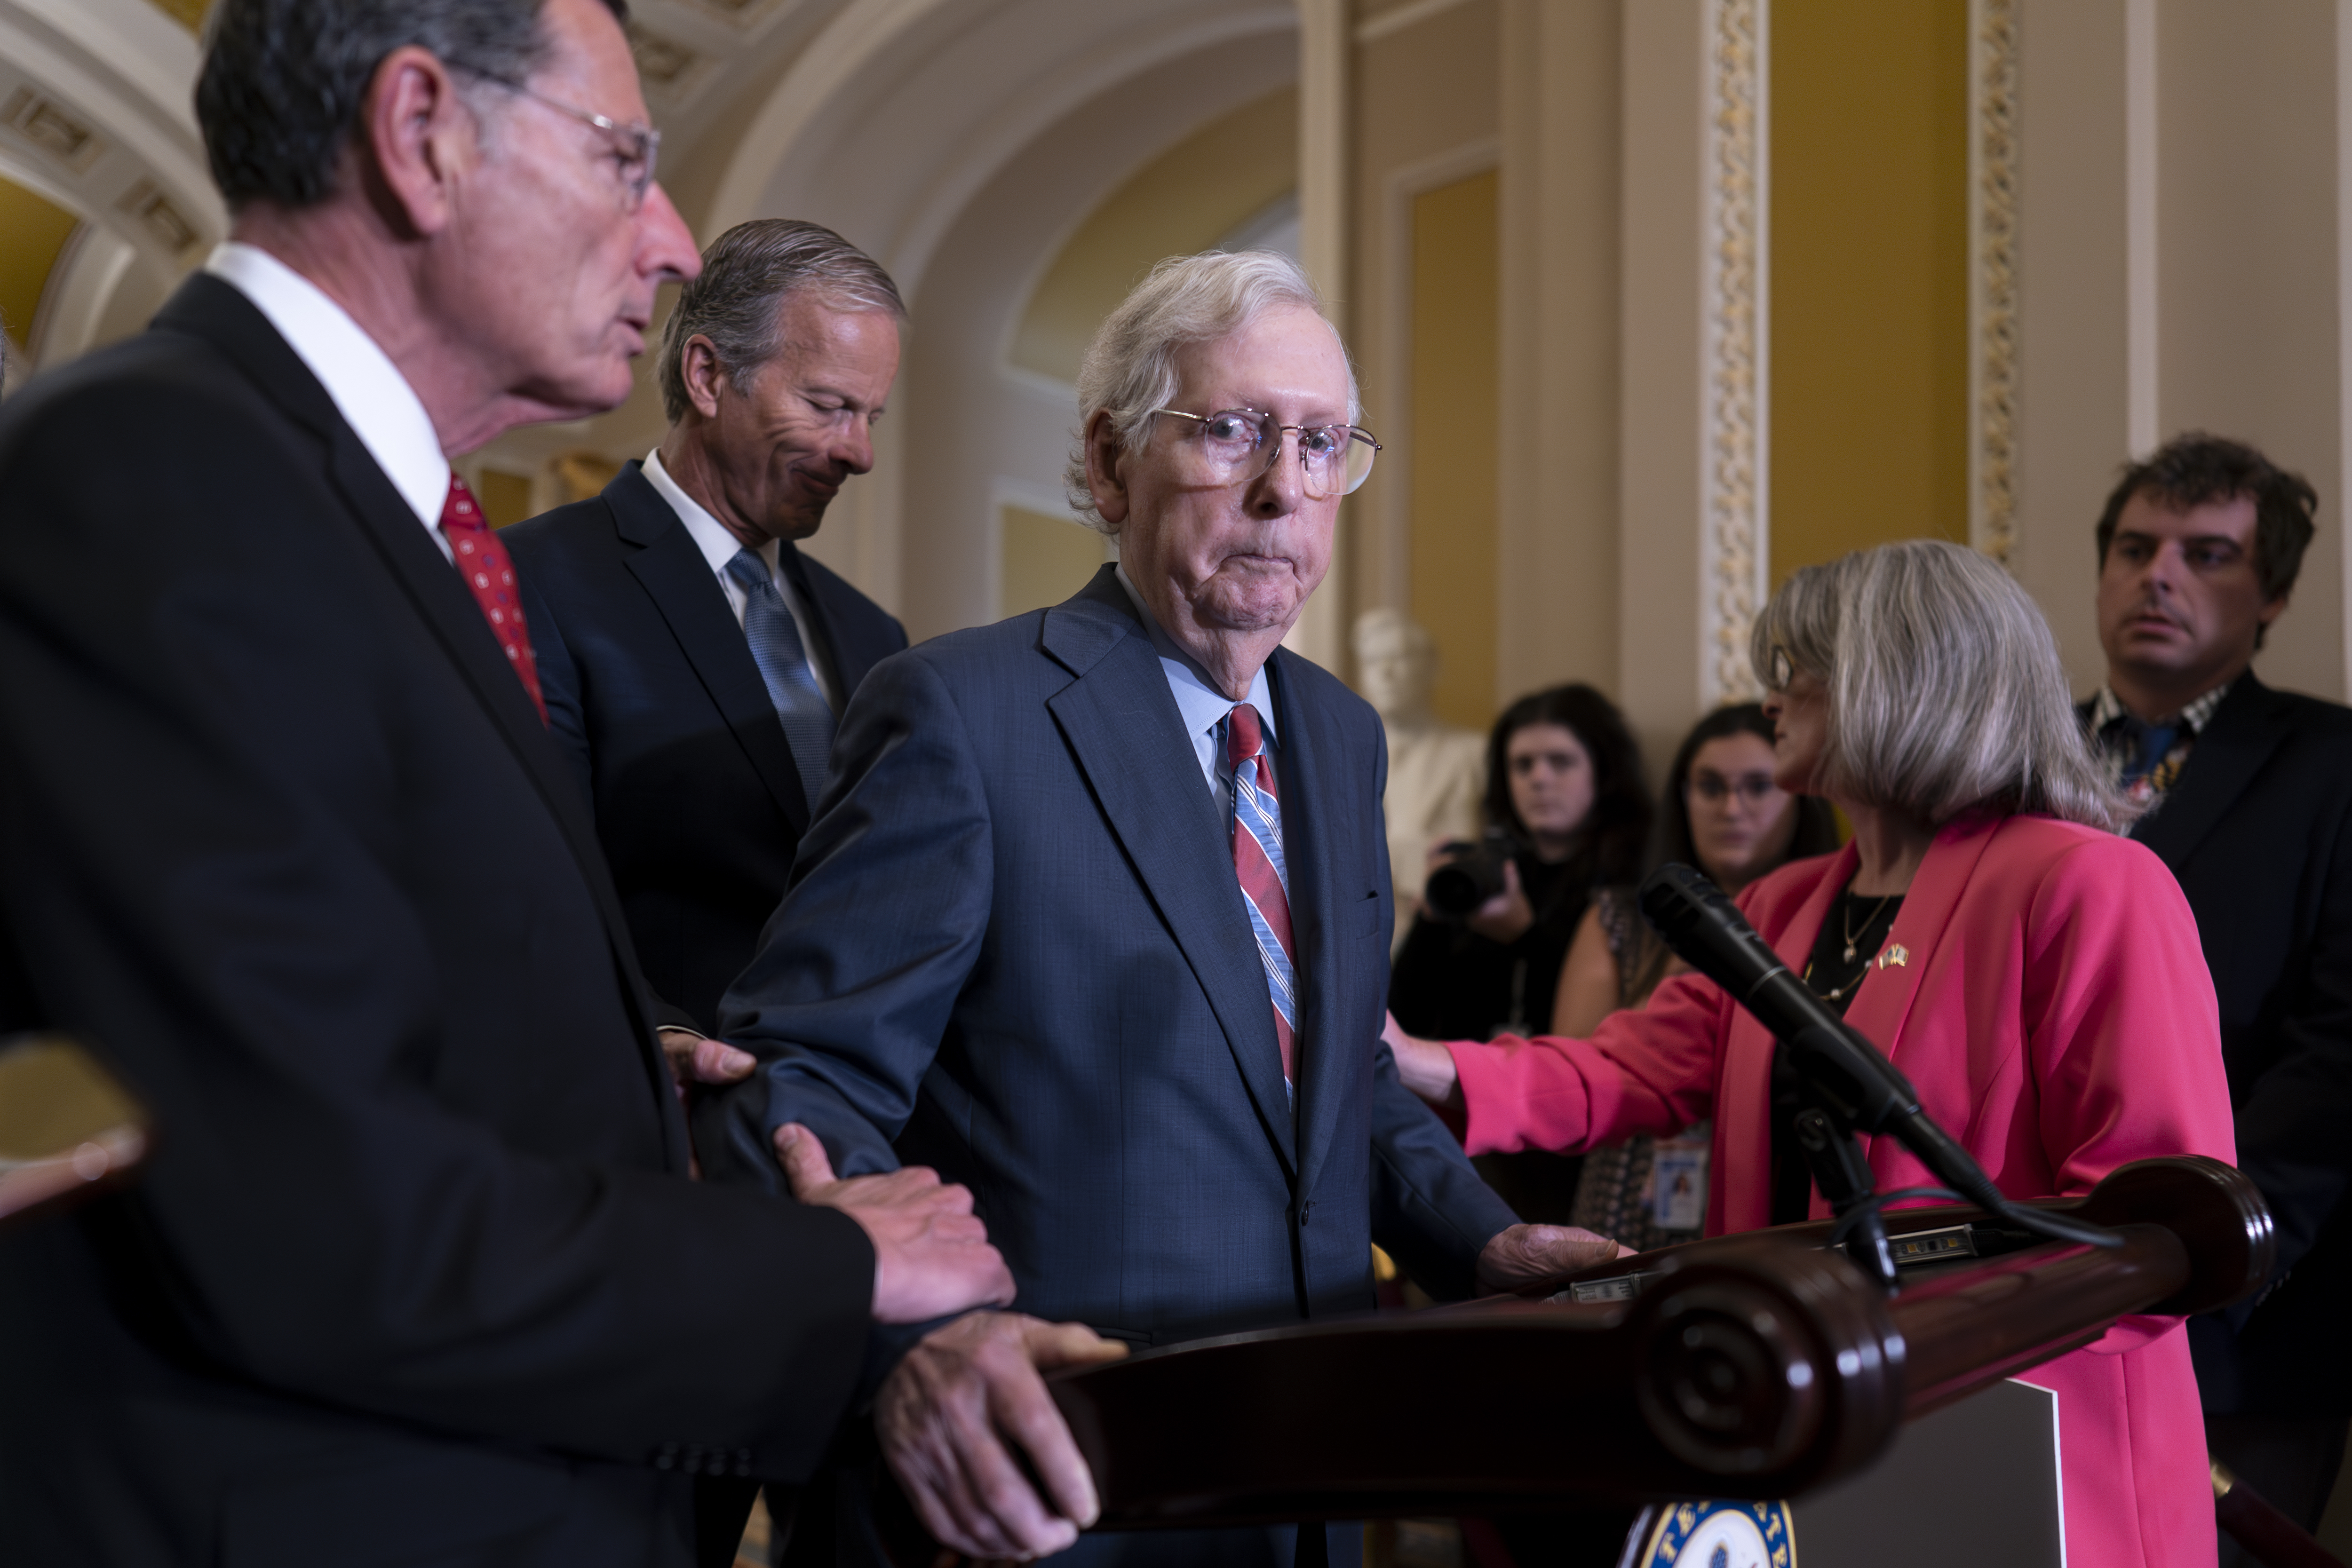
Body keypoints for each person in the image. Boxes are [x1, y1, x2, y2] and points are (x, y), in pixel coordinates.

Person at [0, 3, 1025, 1564]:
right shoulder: (161, 470)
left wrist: (609, 1072)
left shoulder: (367, 513)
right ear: (423, 136)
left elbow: (343, 1016)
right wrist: (825, 1268)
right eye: (627, 160)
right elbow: (316, 1215)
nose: (672, 233)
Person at [700, 250, 1618, 1565]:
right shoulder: (964, 711)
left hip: (1309, 1468)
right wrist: (917, 1346)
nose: (1278, 488)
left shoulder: (1342, 736)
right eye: (1231, 430)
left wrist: (1486, 1235)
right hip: (1058, 1476)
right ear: (1112, 460)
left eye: (1319, 445)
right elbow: (798, 1087)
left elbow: (1334, 1072)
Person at [1389, 540, 2235, 1568]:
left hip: (2037, 1447)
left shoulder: (2090, 883)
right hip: (1821, 1426)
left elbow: (2151, 1220)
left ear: (1901, 678)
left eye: (1799, 667)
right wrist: (1408, 1058)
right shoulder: (1783, 901)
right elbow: (1624, 1067)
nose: (1769, 695)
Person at [505, 220, 910, 1044]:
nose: (860, 452)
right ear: (707, 373)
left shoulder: (875, 636)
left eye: (871, 415)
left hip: (862, 1119)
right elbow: (525, 882)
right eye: (830, 406)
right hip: (652, 1101)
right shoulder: (535, 580)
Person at [2078, 433, 2352, 1552]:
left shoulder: (2333, 763)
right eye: (2136, 548)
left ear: (2272, 593)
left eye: (2207, 555)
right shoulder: (2010, 759)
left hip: (2253, 1303)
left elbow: (2342, 1044)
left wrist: (2222, 1245)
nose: (2160, 576)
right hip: (2030, 1278)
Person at [1557, 703, 1840, 1251]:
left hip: (1762, 1187)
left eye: (1757, 787)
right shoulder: (1621, 918)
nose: (1731, 808)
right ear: (1682, 797)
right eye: (1709, 787)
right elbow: (1572, 1067)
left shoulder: (1831, 920)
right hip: (1624, 1187)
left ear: (1798, 799)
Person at [1388, 683, 1650, 1222]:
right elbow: (1400, 1015)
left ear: (1602, 771)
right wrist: (1434, 914)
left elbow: (1615, 1027)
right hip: (1470, 1133)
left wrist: (1525, 937)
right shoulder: (1486, 875)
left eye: (1560, 761)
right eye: (1522, 764)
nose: (1539, 778)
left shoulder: (1634, 884)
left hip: (1581, 1147)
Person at [1351, 608, 1485, 950]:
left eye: (1400, 658)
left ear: (1431, 668)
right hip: (1362, 941)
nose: (1386, 673)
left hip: (1449, 941)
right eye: (1373, 661)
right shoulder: (1344, 759)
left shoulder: (1473, 755)